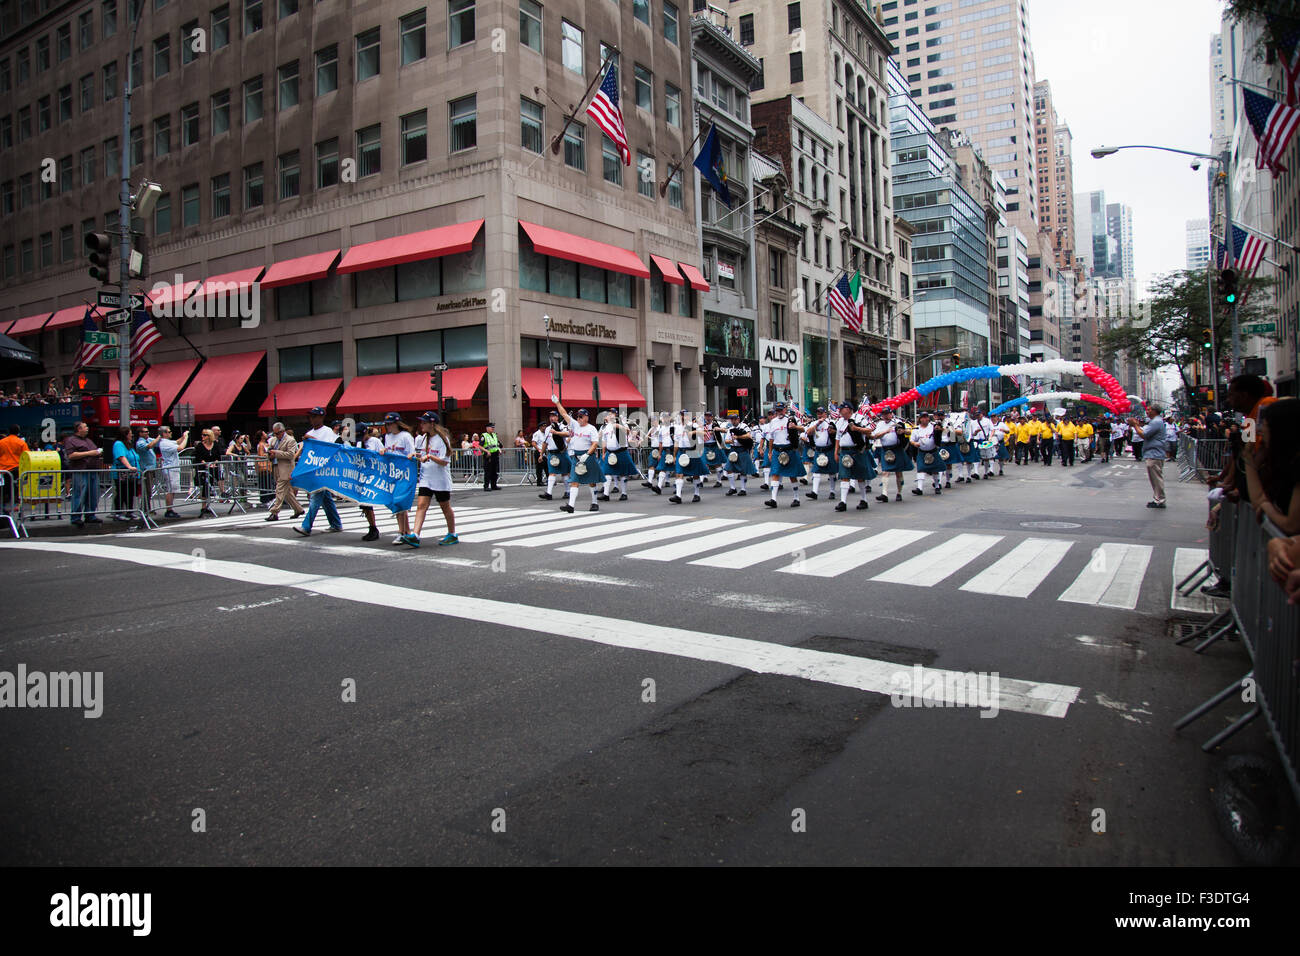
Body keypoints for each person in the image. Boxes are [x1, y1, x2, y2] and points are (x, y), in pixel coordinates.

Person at [1242, 399, 1300, 535]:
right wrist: (1248, 457)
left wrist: (1266, 507)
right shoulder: (1286, 463)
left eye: (1265, 426)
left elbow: (1291, 525)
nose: (1261, 432)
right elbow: (1257, 499)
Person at [407, 411, 458, 546]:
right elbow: (421, 455)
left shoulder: (442, 439)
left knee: (445, 507)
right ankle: (415, 535)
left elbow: (444, 461)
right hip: (426, 478)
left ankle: (452, 534)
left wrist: (430, 457)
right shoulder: (423, 438)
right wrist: (415, 455)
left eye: (424, 422)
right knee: (421, 506)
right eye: (421, 422)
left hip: (440, 480)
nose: (421, 425)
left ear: (432, 424)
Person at [294, 407, 343, 535]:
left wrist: (312, 440)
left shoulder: (327, 432)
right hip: (314, 470)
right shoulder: (310, 432)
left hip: (325, 470)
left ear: (321, 417)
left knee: (316, 497)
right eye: (311, 416)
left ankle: (306, 526)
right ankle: (336, 523)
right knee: (326, 499)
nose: (312, 419)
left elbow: (331, 448)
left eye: (314, 416)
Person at [555, 402, 601, 512]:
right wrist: (557, 402)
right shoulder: (575, 425)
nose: (579, 418)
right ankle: (571, 506)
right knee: (574, 481)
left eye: (581, 416)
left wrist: (587, 454)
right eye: (578, 416)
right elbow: (564, 413)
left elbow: (595, 443)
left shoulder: (591, 428)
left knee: (591, 480)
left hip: (588, 455)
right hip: (576, 456)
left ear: (586, 417)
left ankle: (594, 502)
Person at [381, 412, 417, 544]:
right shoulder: (387, 436)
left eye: (390, 424)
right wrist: (384, 452)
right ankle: (404, 531)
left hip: (404, 473)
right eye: (387, 424)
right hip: (392, 472)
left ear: (397, 423)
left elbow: (411, 452)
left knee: (400, 503)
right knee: (397, 504)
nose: (388, 426)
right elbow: (388, 451)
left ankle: (402, 532)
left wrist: (410, 456)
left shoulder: (406, 436)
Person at [833, 403, 875, 510]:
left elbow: (869, 430)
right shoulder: (840, 422)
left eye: (843, 409)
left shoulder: (860, 418)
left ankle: (864, 500)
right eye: (841, 410)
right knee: (844, 476)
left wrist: (856, 428)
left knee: (860, 476)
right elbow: (837, 437)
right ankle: (843, 502)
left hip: (857, 451)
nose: (841, 411)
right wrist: (836, 452)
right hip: (845, 452)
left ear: (849, 410)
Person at [763, 402, 806, 508]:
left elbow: (804, 430)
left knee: (792, 475)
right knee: (775, 473)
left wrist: (795, 426)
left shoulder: (790, 420)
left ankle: (796, 498)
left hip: (789, 449)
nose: (779, 412)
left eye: (781, 410)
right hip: (777, 450)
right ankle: (773, 499)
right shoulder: (773, 422)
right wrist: (770, 451)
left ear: (785, 410)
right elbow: (771, 438)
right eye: (777, 410)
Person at [63, 421, 103, 526]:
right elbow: (71, 455)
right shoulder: (71, 440)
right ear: (78, 429)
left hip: (93, 470)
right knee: (80, 493)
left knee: (93, 494)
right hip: (81, 470)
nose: (87, 428)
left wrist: (98, 453)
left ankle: (90, 515)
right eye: (85, 427)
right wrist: (90, 453)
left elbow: (94, 450)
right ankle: (76, 517)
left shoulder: (88, 440)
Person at [264, 422, 305, 523]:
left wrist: (276, 453)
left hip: (286, 469)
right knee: (286, 493)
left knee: (280, 490)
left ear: (283, 431)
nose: (276, 435)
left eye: (278, 433)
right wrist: (270, 454)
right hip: (276, 467)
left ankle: (274, 512)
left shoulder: (290, 440)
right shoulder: (273, 440)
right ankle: (298, 509)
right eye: (275, 433)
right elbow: (269, 453)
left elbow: (291, 455)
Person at [669, 410, 710, 504]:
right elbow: (676, 442)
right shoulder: (678, 428)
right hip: (681, 451)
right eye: (682, 415)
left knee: (695, 474)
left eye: (685, 415)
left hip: (692, 451)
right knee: (679, 473)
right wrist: (674, 456)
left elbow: (704, 433)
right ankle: (678, 496)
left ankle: (696, 494)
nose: (683, 417)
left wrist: (694, 432)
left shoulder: (694, 425)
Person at [872, 408, 913, 502]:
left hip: (897, 448)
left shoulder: (898, 422)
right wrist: (886, 431)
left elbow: (909, 431)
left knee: (898, 472)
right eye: (883, 414)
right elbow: (875, 435)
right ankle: (884, 494)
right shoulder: (880, 424)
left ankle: (899, 493)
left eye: (887, 414)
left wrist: (903, 431)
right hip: (885, 450)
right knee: (885, 471)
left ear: (891, 414)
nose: (885, 416)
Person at [1132, 405, 1168, 509]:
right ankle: (1157, 498)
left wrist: (1135, 425)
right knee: (1154, 478)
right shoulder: (1154, 421)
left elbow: (1144, 434)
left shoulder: (1156, 422)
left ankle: (1160, 500)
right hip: (1152, 453)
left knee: (1156, 477)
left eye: (1149, 409)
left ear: (1155, 411)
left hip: (1155, 453)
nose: (1147, 411)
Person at [597, 411, 636, 502]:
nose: (609, 416)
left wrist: (618, 426)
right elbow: (604, 441)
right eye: (608, 415)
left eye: (611, 414)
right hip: (610, 452)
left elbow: (627, 432)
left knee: (622, 473)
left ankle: (624, 493)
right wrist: (603, 453)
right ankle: (606, 494)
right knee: (607, 473)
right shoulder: (605, 428)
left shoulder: (621, 423)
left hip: (621, 452)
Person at [355, 425, 385, 541]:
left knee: (371, 501)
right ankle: (372, 527)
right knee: (365, 503)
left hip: (374, 474)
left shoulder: (375, 442)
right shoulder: (358, 443)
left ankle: (403, 529)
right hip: (362, 474)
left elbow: (384, 455)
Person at [155, 425, 189, 519]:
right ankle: (169, 510)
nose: (171, 433)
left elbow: (177, 442)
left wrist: (183, 436)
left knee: (173, 490)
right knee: (170, 490)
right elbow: (180, 447)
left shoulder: (167, 442)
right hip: (170, 468)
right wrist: (185, 438)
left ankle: (170, 509)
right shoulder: (164, 443)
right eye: (169, 432)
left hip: (173, 468)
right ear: (164, 434)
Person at [803, 407, 836, 500]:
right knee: (816, 471)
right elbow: (808, 432)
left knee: (832, 472)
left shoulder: (830, 423)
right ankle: (814, 492)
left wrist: (832, 431)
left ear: (825, 413)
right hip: (818, 449)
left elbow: (836, 433)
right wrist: (818, 424)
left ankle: (832, 491)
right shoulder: (814, 423)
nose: (819, 415)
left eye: (821, 413)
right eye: (818, 413)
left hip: (829, 449)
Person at [910, 412, 945, 495]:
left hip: (933, 451)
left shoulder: (933, 426)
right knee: (921, 469)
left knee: (935, 470)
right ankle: (919, 488)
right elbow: (911, 440)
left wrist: (940, 429)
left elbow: (944, 431)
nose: (925, 419)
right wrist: (915, 444)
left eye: (926, 417)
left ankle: (937, 486)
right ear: (920, 419)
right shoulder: (916, 429)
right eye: (923, 417)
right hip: (922, 452)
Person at [538, 409, 570, 500]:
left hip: (561, 452)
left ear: (557, 417)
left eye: (554, 416)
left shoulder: (562, 426)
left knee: (565, 473)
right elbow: (545, 443)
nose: (552, 418)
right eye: (550, 416)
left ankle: (568, 491)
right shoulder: (548, 429)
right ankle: (549, 493)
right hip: (552, 453)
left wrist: (557, 432)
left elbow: (567, 434)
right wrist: (541, 454)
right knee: (551, 473)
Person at [722, 412, 757, 496]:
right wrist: (731, 441)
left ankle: (743, 489)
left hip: (742, 449)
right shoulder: (730, 429)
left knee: (743, 470)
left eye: (734, 419)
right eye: (731, 419)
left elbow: (749, 436)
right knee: (728, 468)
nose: (733, 421)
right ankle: (732, 488)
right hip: (733, 449)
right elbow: (726, 440)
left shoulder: (744, 426)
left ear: (738, 419)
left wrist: (738, 437)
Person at [110, 426, 140, 521]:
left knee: (130, 493)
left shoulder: (128, 444)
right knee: (122, 493)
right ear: (125, 434)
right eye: (130, 433)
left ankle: (129, 512)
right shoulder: (119, 444)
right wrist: (129, 467)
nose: (131, 435)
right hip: (122, 472)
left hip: (131, 474)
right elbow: (121, 456)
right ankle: (118, 512)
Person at [191, 428, 222, 518]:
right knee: (205, 486)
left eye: (204, 435)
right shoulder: (200, 446)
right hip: (203, 469)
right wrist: (206, 464)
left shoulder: (215, 444)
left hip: (213, 468)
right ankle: (203, 507)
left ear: (209, 436)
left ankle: (209, 504)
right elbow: (198, 457)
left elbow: (218, 456)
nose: (202, 436)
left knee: (211, 485)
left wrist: (214, 463)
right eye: (202, 435)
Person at [0, 425, 29, 510]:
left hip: (3, 470)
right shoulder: (21, 443)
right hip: (16, 469)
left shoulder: (2, 442)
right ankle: (17, 506)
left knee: (3, 489)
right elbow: (26, 456)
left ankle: (3, 507)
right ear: (18, 432)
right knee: (17, 489)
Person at [135, 426, 162, 514]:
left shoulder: (148, 439)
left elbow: (157, 443)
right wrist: (158, 437)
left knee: (149, 490)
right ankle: (145, 508)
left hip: (150, 469)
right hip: (145, 469)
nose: (147, 433)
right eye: (145, 432)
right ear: (140, 433)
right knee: (147, 490)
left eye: (148, 431)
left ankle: (146, 507)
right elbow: (149, 446)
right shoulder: (140, 443)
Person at [481, 422, 502, 491]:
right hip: (488, 455)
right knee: (488, 471)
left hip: (495, 454)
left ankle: (494, 485)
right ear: (487, 428)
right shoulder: (484, 436)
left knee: (494, 471)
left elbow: (497, 444)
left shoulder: (494, 435)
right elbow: (480, 446)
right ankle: (486, 486)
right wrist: (486, 451)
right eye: (491, 427)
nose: (493, 428)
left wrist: (499, 449)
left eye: (493, 427)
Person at [530, 419, 547, 489]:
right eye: (543, 426)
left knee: (546, 466)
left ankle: (549, 480)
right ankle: (539, 481)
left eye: (545, 426)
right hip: (539, 452)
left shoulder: (545, 433)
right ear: (540, 427)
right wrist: (539, 449)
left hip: (544, 452)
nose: (545, 427)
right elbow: (533, 443)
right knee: (539, 468)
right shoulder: (537, 433)